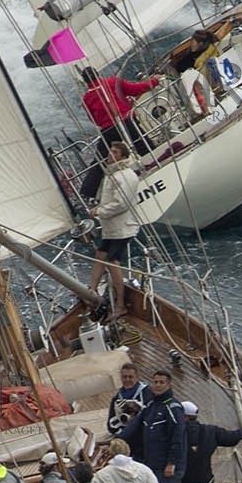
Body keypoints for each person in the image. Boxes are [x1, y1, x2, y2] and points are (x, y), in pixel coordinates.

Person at [121, 369, 187, 483]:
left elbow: (178, 437)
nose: (157, 385)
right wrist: (117, 442)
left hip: (168, 467)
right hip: (152, 465)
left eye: (161, 382)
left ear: (169, 384)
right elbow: (133, 428)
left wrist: (172, 462)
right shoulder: (150, 407)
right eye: (155, 382)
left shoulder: (173, 408)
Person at [87, 141, 143, 318]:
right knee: (101, 256)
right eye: (110, 151)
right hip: (113, 228)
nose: (110, 155)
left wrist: (99, 211)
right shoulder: (114, 175)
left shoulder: (123, 176)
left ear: (123, 157)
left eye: (115, 152)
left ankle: (120, 305)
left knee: (112, 263)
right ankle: (90, 291)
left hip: (122, 228)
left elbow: (121, 204)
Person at [179, 403, 242, 483]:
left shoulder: (173, 434)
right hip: (203, 480)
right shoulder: (210, 431)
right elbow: (230, 438)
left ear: (184, 417)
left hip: (181, 481)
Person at [79, 65, 160, 156]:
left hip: (108, 129)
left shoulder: (86, 98)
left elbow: (94, 119)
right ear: (97, 74)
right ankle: (153, 160)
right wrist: (154, 81)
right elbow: (136, 90)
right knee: (144, 147)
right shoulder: (113, 82)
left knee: (102, 156)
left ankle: (98, 168)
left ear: (85, 80)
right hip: (126, 121)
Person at [107, 360, 151, 436]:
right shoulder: (117, 399)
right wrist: (120, 418)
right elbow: (111, 427)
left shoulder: (147, 393)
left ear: (137, 378)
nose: (127, 380)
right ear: (121, 378)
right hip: (127, 434)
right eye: (124, 377)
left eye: (130, 377)